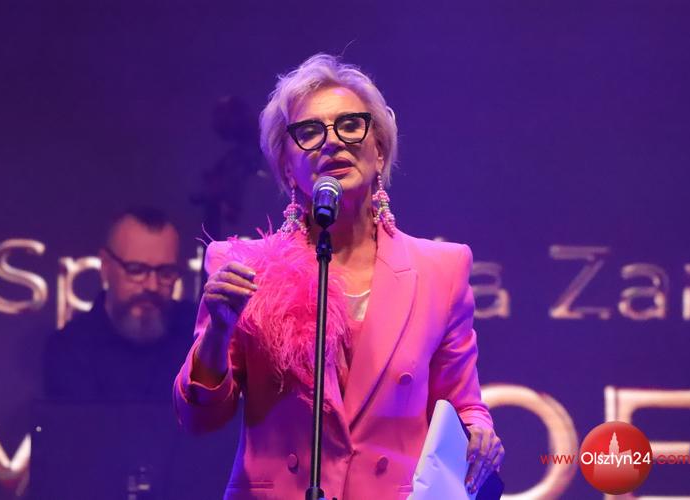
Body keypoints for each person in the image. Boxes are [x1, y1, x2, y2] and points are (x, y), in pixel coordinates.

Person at [173, 54, 505, 499]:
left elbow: (462, 403)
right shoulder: (244, 267)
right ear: (287, 167)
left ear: (379, 150)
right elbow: (199, 418)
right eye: (310, 132)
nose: (332, 142)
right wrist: (217, 333)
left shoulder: (440, 269)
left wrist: (479, 432)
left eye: (350, 125)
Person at [44, 207, 195, 402]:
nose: (152, 286)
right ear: (106, 266)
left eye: (166, 272)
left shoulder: (199, 338)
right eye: (136, 270)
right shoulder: (70, 349)